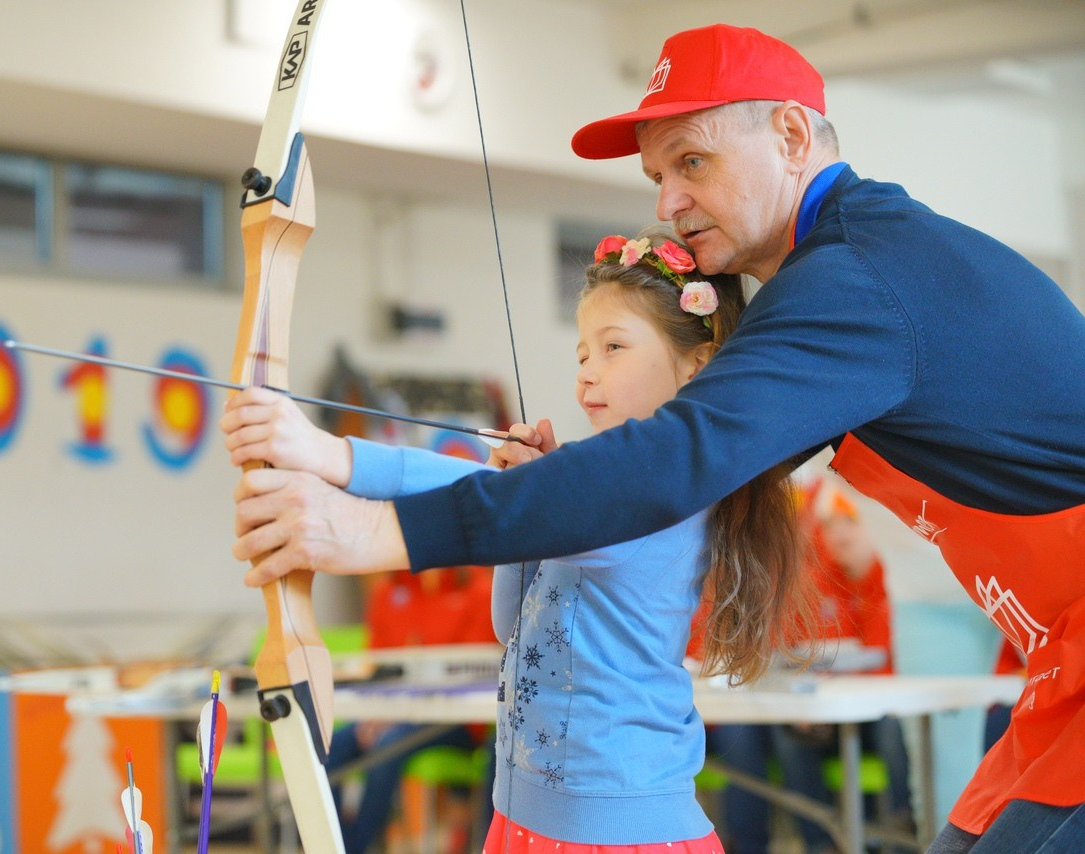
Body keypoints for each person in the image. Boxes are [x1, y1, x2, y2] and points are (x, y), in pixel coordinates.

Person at [229, 23, 1085, 854]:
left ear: (791, 135)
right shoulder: (836, 280)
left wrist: (375, 532)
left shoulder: (854, 277)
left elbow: (667, 463)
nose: (667, 200)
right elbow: (634, 469)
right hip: (1062, 657)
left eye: (694, 162)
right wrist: (335, 458)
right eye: (658, 173)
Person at [224, 226, 811, 851]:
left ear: (698, 365)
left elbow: (466, 486)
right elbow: (513, 624)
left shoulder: (654, 492)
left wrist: (328, 453)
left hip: (620, 832)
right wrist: (526, 511)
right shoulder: (593, 483)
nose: (588, 372)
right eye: (583, 353)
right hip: (526, 816)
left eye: (615, 347)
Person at [700, 482, 912, 854]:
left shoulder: (888, 583)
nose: (838, 533)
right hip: (813, 706)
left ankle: (903, 834)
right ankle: (815, 844)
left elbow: (885, 659)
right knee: (777, 734)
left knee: (895, 728)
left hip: (875, 707)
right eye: (830, 525)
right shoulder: (808, 582)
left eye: (848, 523)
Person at [326, 565, 495, 854]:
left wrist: (395, 714)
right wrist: (377, 712)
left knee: (388, 746)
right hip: (390, 712)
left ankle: (354, 848)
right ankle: (331, 843)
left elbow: (472, 672)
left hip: (456, 720)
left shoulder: (480, 590)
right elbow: (375, 663)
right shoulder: (388, 591)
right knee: (329, 748)